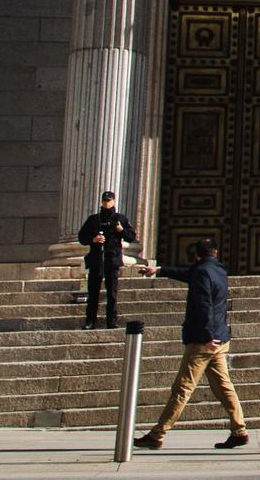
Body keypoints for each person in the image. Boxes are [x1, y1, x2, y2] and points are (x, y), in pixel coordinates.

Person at [134, 237, 249, 450]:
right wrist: (159, 270)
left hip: (204, 341)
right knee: (224, 387)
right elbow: (188, 275)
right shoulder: (218, 271)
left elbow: (203, 305)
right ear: (215, 252)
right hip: (220, 338)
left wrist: (206, 335)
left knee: (182, 388)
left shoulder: (201, 272)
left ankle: (158, 434)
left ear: (196, 255)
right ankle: (239, 430)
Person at [76, 190, 133, 329]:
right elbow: (82, 238)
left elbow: (131, 237)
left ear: (114, 201)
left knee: (112, 293)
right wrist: (93, 239)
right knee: (93, 293)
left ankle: (112, 321)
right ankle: (90, 321)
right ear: (102, 202)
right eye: (105, 200)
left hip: (112, 260)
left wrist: (121, 230)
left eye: (109, 200)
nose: (107, 203)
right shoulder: (93, 219)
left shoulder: (120, 218)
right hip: (96, 260)